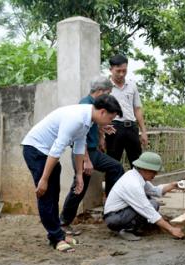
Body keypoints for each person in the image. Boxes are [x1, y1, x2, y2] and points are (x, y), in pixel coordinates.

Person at [21, 94, 122, 252]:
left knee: (54, 194)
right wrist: (44, 179)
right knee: (46, 194)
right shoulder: (76, 119)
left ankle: (57, 234)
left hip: (47, 153)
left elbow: (80, 146)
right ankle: (56, 237)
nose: (110, 122)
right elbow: (57, 149)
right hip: (36, 149)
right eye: (111, 118)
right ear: (102, 112)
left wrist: (80, 176)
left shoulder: (87, 119)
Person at [60, 76, 125, 236]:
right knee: (79, 187)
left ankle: (111, 206)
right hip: (83, 153)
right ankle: (63, 222)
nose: (108, 97)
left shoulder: (96, 105)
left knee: (116, 168)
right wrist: (86, 160)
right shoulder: (85, 104)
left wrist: (102, 132)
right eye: (107, 93)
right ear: (100, 91)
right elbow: (78, 137)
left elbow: (93, 126)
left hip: (92, 151)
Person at [104, 152, 185, 241]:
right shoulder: (133, 184)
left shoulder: (137, 176)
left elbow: (155, 191)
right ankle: (126, 230)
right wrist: (171, 229)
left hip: (121, 214)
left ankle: (140, 227)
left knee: (153, 203)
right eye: (154, 171)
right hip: (114, 218)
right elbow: (147, 209)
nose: (155, 174)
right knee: (149, 206)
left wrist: (173, 185)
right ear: (145, 169)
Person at [105, 54, 148, 167]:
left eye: (124, 71)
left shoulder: (132, 86)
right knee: (113, 163)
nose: (121, 74)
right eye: (118, 71)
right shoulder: (105, 87)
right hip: (113, 128)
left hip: (131, 128)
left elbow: (137, 109)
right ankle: (112, 185)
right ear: (111, 69)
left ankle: (138, 185)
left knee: (138, 162)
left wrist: (143, 131)